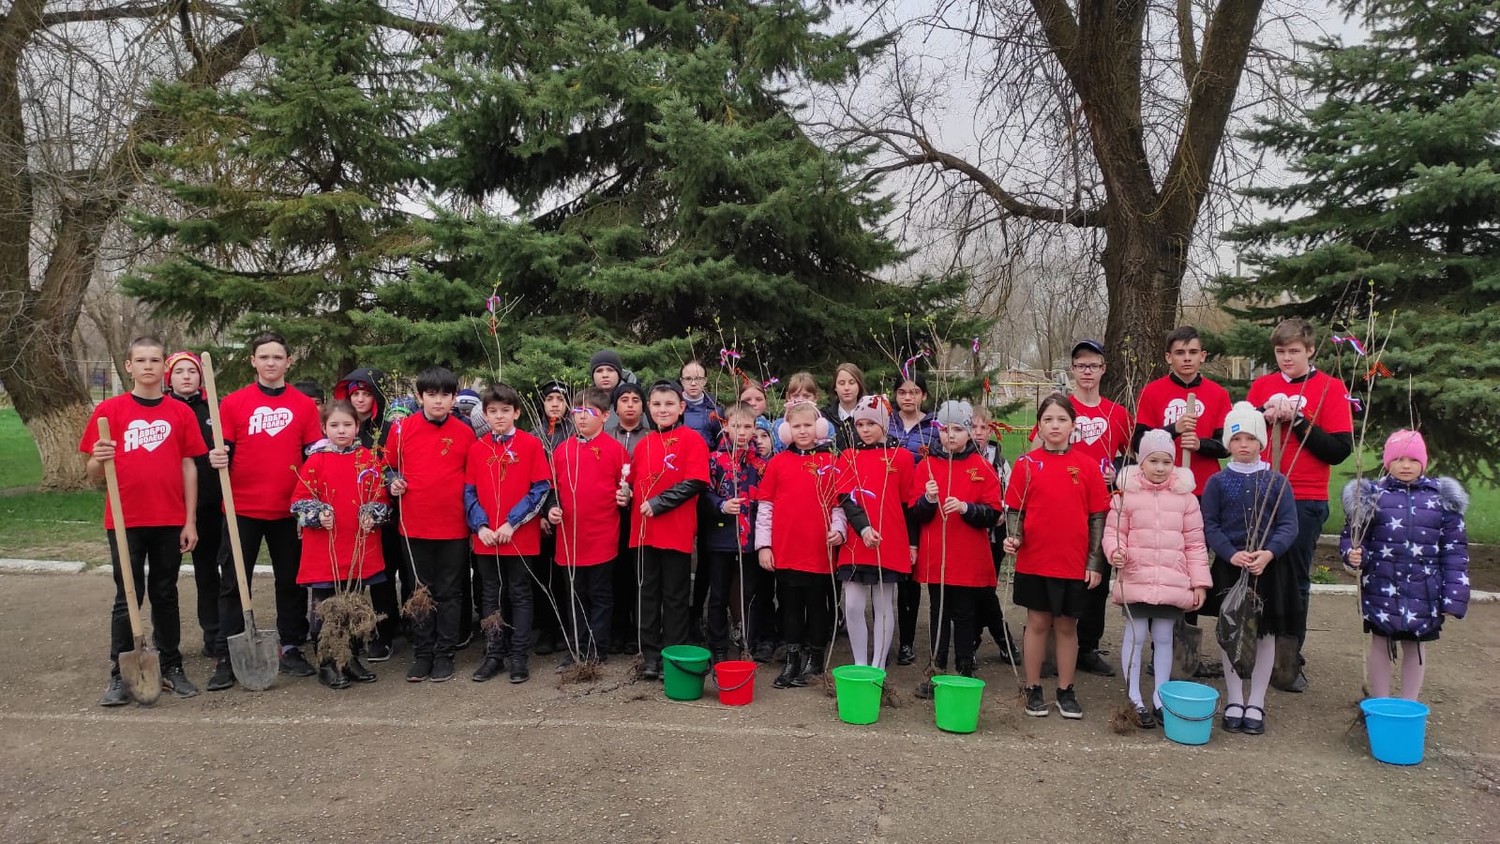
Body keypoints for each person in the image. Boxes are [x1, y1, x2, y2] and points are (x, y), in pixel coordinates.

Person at [82, 336, 208, 705]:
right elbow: (92, 472)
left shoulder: (180, 412)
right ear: (129, 366)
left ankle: (171, 666)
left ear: (162, 367)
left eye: (156, 360)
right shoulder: (109, 411)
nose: (149, 366)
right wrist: (97, 458)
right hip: (125, 521)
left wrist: (190, 520)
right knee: (127, 596)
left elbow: (189, 466)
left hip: (169, 518)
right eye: (142, 360)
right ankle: (120, 674)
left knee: (165, 594)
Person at [206, 332, 323, 691]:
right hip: (241, 507)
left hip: (288, 509)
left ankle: (291, 646)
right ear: (253, 362)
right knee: (231, 582)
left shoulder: (303, 406)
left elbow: (313, 457)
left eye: (277, 357)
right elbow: (221, 449)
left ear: (288, 362)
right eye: (264, 357)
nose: (271, 363)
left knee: (290, 580)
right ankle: (230, 653)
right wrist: (216, 456)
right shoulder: (233, 404)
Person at [1246, 318, 1353, 692]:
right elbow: (1242, 438)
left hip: (1304, 497)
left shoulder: (1329, 389)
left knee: (1294, 580)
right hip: (1260, 493)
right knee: (1255, 575)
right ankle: (1253, 649)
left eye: (1294, 351)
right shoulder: (1262, 386)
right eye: (1280, 352)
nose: (1286, 358)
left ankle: (1289, 657)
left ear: (1310, 351)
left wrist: (1299, 422)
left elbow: (1339, 450)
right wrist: (1260, 419)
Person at [1340, 430, 1469, 702]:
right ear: (1388, 462)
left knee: (1416, 646)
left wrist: (1453, 596)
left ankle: (1409, 705)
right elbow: (1352, 538)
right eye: (1398, 459)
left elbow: (1455, 552)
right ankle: (1380, 703)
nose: (1406, 465)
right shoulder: (1372, 496)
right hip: (1381, 587)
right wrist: (1354, 555)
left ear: (1425, 461)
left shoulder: (1442, 501)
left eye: (1412, 459)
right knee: (1381, 643)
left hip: (1425, 590)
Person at [1003, 393, 1110, 719]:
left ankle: (1066, 689)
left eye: (1061, 419)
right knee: (1036, 622)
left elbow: (1097, 517)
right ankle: (1033, 687)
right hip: (1036, 560)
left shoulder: (1088, 467)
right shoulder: (1025, 465)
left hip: (1073, 561)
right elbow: (1015, 511)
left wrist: (1094, 562)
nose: (1054, 425)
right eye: (1048, 419)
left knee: (1066, 625)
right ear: (1039, 426)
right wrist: (1014, 537)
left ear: (1072, 426)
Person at [1031, 339, 1133, 678]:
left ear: (1103, 369)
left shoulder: (1117, 413)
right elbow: (1034, 450)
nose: (1087, 371)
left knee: (1095, 578)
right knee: (1055, 575)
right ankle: (1049, 649)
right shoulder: (1061, 408)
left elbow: (1135, 461)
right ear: (1072, 370)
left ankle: (1087, 646)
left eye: (1093, 365)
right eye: (1080, 366)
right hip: (1060, 504)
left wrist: (1116, 472)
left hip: (1100, 505)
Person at [1199, 402, 1300, 735]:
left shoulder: (1277, 482)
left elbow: (1288, 525)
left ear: (1262, 442)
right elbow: (1210, 524)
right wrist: (1230, 553)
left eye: (1251, 438)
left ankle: (1256, 700)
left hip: (1268, 571)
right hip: (1232, 569)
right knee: (1233, 633)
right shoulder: (1217, 482)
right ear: (1228, 443)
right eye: (1237, 437)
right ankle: (1234, 698)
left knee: (1265, 634)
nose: (1244, 444)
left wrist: (1268, 553)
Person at [1100, 429, 1210, 728]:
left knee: (1163, 638)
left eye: (1166, 461)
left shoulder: (1186, 499)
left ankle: (1160, 697)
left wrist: (1199, 581)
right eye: (1154, 461)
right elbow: (1114, 533)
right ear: (1140, 461)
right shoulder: (1127, 495)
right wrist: (1116, 552)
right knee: (1135, 637)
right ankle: (1134, 695)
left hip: (1172, 581)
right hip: (1136, 576)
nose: (1160, 468)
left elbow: (1195, 544)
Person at [386, 366, 477, 683]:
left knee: (451, 592)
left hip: (453, 527)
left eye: (445, 395)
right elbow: (388, 469)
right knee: (419, 591)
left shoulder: (465, 432)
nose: (438, 401)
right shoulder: (401, 430)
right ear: (420, 396)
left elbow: (473, 480)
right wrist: (393, 481)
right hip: (414, 526)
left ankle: (444, 654)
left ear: (454, 398)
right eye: (431, 394)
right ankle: (423, 653)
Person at [291, 400, 390, 690]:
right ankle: (326, 662)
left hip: (357, 544)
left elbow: (380, 496)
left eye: (347, 424)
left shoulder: (367, 459)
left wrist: (373, 514)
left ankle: (351, 658)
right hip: (326, 547)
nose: (341, 430)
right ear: (324, 428)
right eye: (334, 425)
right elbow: (298, 501)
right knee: (326, 607)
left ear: (357, 427)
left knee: (355, 604)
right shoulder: (315, 461)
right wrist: (316, 514)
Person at [755, 400, 851, 688]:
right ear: (786, 430)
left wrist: (839, 531)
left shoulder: (831, 463)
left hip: (819, 551)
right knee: (790, 606)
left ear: (819, 427)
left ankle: (816, 658)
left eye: (808, 425)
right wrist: (764, 546)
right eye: (796, 426)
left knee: (818, 606)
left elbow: (840, 506)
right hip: (786, 549)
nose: (803, 430)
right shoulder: (778, 463)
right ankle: (792, 659)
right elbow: (765, 507)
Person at [911, 401, 1002, 698]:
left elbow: (993, 512)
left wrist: (967, 508)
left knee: (964, 614)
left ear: (969, 433)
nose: (951, 435)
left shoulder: (982, 468)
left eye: (958, 429)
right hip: (937, 556)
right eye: (945, 429)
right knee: (938, 612)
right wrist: (927, 499)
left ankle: (964, 668)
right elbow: (915, 513)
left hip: (968, 557)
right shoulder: (926, 466)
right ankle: (937, 669)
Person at [463, 383, 551, 684]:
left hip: (519, 536)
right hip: (487, 537)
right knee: (491, 594)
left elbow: (540, 489)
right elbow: (470, 492)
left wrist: (512, 523)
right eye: (492, 412)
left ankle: (518, 656)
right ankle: (493, 653)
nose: (498, 417)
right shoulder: (478, 448)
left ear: (516, 412)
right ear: (485, 415)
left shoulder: (530, 445)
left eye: (504, 411)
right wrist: (482, 525)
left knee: (520, 594)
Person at [629, 380, 711, 679]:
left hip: (675, 529)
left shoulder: (692, 440)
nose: (663, 410)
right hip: (643, 532)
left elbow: (696, 480)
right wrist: (625, 495)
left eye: (669, 404)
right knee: (647, 594)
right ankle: (649, 655)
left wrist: (660, 503)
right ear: (648, 408)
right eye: (657, 405)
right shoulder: (644, 443)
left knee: (675, 596)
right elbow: (633, 483)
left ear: (681, 407)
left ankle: (672, 654)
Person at [548, 388, 630, 667]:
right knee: (575, 594)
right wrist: (551, 508)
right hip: (569, 536)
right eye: (577, 412)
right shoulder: (562, 450)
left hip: (602, 536)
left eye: (589, 412)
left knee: (600, 595)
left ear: (605, 416)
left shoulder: (616, 451)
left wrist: (626, 497)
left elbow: (627, 490)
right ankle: (576, 648)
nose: (581, 418)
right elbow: (551, 488)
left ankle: (597, 648)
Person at [833, 395, 915, 672]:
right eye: (860, 424)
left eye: (871, 424)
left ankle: (878, 666)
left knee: (883, 604)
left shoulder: (901, 457)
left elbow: (907, 503)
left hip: (888, 540)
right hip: (857, 540)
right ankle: (859, 664)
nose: (865, 430)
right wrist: (863, 527)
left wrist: (911, 543)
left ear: (884, 424)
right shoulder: (848, 457)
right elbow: (845, 497)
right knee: (854, 605)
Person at [332, 368, 402, 661]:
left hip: (381, 513)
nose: (360, 399)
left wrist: (389, 481)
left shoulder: (385, 430)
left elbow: (394, 465)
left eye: (366, 394)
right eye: (355, 394)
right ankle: (354, 628)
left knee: (382, 575)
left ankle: (385, 632)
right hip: (346, 515)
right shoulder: (340, 428)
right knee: (351, 574)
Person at [165, 350, 222, 657]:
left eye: (192, 371)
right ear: (169, 377)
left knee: (208, 573)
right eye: (179, 371)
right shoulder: (163, 409)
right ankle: (166, 644)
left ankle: (214, 634)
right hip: (170, 504)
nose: (186, 376)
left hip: (210, 504)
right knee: (165, 578)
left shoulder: (214, 407)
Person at [702, 402, 768, 663]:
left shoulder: (761, 465)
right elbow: (704, 494)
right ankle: (718, 645)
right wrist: (721, 505)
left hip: (750, 539)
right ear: (726, 426)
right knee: (717, 593)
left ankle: (748, 643)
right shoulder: (714, 460)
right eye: (736, 426)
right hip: (721, 538)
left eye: (748, 427)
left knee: (749, 593)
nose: (742, 432)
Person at [889, 371, 939, 667]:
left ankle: (906, 642)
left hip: (918, 506)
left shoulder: (933, 428)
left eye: (914, 392)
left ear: (923, 395)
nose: (908, 397)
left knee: (910, 575)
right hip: (888, 504)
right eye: (902, 392)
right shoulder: (885, 422)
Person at [970, 403, 1020, 664]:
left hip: (994, 534)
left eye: (984, 427)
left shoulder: (1000, 461)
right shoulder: (963, 458)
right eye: (974, 427)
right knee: (979, 591)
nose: (978, 432)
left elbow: (1010, 494)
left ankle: (977, 642)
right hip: (970, 532)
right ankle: (1001, 641)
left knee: (986, 588)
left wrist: (1001, 509)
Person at [607, 381, 649, 653]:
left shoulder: (650, 437)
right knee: (615, 574)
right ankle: (616, 629)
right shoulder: (607, 435)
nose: (630, 404)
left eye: (635, 399)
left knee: (638, 574)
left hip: (642, 514)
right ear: (615, 406)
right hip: (610, 514)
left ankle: (638, 632)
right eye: (625, 400)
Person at [822, 362, 866, 450]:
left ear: (859, 385)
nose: (846, 388)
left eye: (852, 382)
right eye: (841, 383)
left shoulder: (870, 414)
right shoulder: (825, 417)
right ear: (835, 387)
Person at [679, 359, 722, 447]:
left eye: (698, 378)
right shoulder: (672, 407)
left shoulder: (716, 411)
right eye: (688, 379)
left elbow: (721, 444)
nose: (693, 383)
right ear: (681, 381)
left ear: (705, 380)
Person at [536, 380, 575, 450]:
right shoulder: (534, 437)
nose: (555, 404)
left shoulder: (578, 434)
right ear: (543, 404)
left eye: (560, 399)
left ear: (568, 404)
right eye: (549, 399)